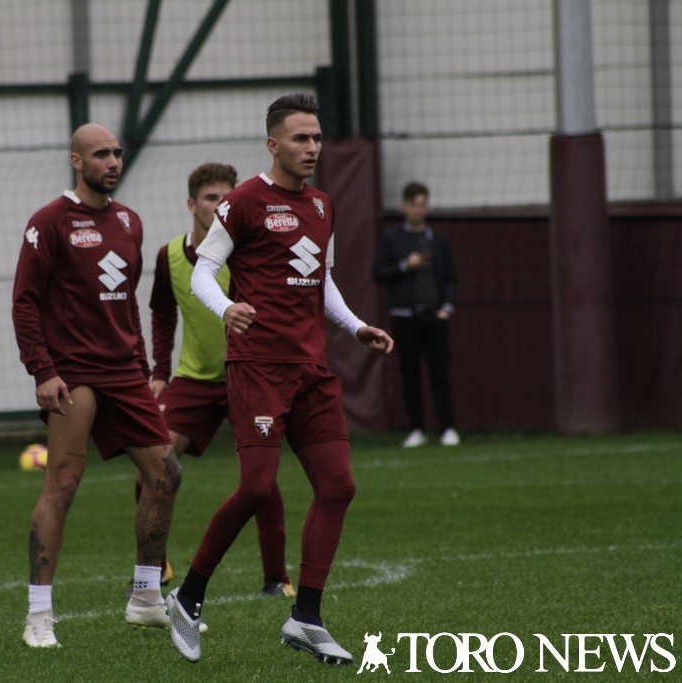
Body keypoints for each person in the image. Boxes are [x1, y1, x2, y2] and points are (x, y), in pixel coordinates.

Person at [164, 94, 394, 666]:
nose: (311, 148)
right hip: (258, 369)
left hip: (311, 369)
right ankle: (187, 599)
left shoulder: (322, 205)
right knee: (259, 487)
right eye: (299, 138)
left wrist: (357, 324)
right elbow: (204, 274)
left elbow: (324, 281)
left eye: (317, 138)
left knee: (339, 486)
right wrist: (227, 311)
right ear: (273, 144)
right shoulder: (242, 203)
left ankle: (306, 618)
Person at [11, 123, 183, 648]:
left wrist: (145, 364)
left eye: (117, 153)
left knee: (166, 474)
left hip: (124, 371)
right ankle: (39, 616)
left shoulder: (130, 222)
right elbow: (24, 302)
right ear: (76, 161)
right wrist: (42, 371)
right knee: (62, 484)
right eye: (101, 154)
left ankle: (146, 596)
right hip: (73, 373)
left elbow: (127, 301)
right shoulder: (49, 222)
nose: (112, 161)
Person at [142, 162, 293, 598]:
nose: (220, 206)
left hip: (246, 375)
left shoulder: (247, 250)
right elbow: (162, 314)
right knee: (154, 467)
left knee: (261, 481)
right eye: (211, 198)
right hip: (192, 379)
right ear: (191, 204)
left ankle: (276, 578)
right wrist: (159, 372)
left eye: (227, 198)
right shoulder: (170, 255)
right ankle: (157, 563)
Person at [372, 181, 459, 448]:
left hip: (434, 316)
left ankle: (448, 428)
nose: (418, 210)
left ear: (427, 207)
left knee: (439, 373)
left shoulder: (439, 239)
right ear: (404, 207)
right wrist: (404, 265)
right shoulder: (392, 238)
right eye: (413, 205)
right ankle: (417, 429)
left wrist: (448, 306)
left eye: (422, 205)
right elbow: (378, 273)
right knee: (409, 375)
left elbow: (450, 277)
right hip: (404, 317)